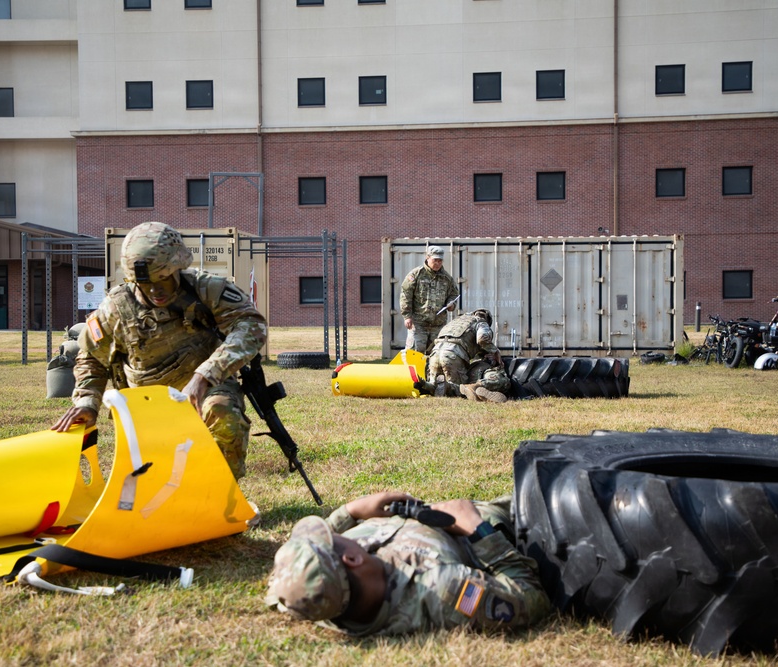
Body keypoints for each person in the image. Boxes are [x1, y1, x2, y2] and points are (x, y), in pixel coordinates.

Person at [52, 221, 267, 480]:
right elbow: (91, 358)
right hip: (145, 401)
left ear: (178, 267)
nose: (156, 289)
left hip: (207, 387)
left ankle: (218, 498)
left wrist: (205, 376)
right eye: (145, 282)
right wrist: (88, 401)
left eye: (163, 278)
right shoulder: (115, 308)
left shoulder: (206, 289)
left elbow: (251, 326)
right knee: (155, 480)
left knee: (222, 413)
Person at [264, 490, 551, 635]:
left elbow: (296, 561)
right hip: (501, 521)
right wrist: (479, 530)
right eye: (333, 537)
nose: (335, 532)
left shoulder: (316, 593)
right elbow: (530, 598)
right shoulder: (442, 589)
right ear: (351, 558)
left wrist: (350, 511)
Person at [418, 309, 508, 402]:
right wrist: (494, 350)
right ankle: (450, 387)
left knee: (436, 387)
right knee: (460, 391)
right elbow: (482, 339)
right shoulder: (481, 322)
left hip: (435, 353)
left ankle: (427, 385)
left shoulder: (455, 322)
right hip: (453, 355)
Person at [399, 246, 460, 354]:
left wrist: (451, 304)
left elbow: (454, 294)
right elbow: (406, 295)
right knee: (415, 353)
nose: (437, 263)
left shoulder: (446, 278)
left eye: (440, 260)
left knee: (436, 354)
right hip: (419, 323)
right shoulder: (416, 274)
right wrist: (407, 316)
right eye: (435, 260)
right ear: (427, 258)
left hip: (438, 324)